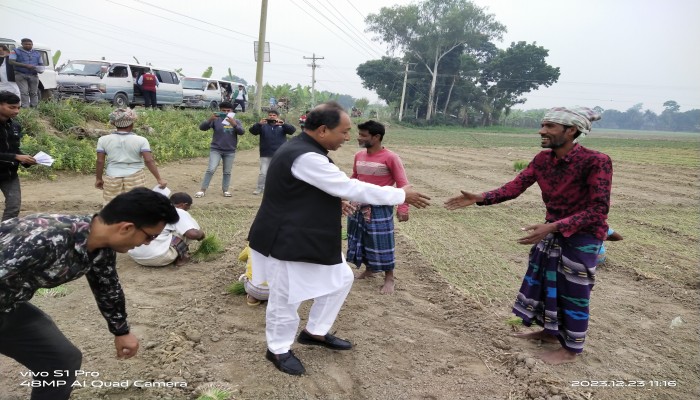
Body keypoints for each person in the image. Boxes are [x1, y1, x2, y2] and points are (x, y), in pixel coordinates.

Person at [247, 101, 430, 375]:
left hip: (304, 234)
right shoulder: (306, 156)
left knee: (341, 278)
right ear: (322, 130)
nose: (348, 137)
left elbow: (319, 188)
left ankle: (315, 332)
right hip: (286, 238)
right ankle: (277, 349)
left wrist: (337, 200)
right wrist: (401, 195)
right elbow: (348, 185)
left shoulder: (306, 149)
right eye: (343, 132)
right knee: (286, 297)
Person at [445, 106, 611, 365]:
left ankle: (572, 349)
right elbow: (515, 187)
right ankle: (549, 333)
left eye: (549, 127)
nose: (541, 131)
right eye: (542, 125)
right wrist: (481, 198)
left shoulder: (596, 161)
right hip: (553, 231)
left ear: (571, 131)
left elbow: (598, 209)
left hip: (582, 237)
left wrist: (554, 226)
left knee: (574, 293)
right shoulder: (543, 160)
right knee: (548, 285)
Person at [0, 188, 180, 400]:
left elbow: (107, 286)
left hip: (9, 306)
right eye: (150, 236)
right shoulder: (43, 237)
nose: (147, 243)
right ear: (127, 228)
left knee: (60, 361)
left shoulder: (100, 248)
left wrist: (121, 331)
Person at [347, 120, 410, 294]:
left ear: (376, 137)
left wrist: (403, 207)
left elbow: (403, 184)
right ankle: (369, 269)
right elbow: (354, 178)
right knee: (361, 238)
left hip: (380, 208)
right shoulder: (359, 156)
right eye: (359, 134)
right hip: (357, 206)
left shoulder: (391, 157)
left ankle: (389, 277)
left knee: (382, 242)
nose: (359, 138)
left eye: (363, 135)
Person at [95, 108, 167, 204]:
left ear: (114, 124)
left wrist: (99, 178)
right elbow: (149, 160)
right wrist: (159, 179)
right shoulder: (141, 140)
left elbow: (100, 161)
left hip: (112, 176)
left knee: (112, 205)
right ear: (132, 124)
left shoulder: (103, 140)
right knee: (136, 204)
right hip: (135, 176)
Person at [129, 192, 205, 267]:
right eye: (189, 206)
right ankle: (182, 257)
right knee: (184, 230)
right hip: (157, 258)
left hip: (136, 256)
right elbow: (192, 234)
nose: (189, 209)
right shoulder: (178, 211)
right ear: (184, 205)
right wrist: (201, 234)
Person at [194, 101, 244, 198]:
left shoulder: (236, 121)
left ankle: (225, 190)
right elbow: (202, 128)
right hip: (216, 149)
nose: (225, 112)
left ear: (232, 111)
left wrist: (234, 124)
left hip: (230, 150)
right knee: (211, 169)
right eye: (223, 110)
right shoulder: (216, 120)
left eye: (228, 110)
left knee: (227, 171)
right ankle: (202, 190)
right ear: (220, 110)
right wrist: (209, 120)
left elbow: (241, 132)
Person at [0, 91, 36, 221]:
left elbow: (15, 149)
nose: (16, 111)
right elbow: (14, 154)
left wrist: (27, 160)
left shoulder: (15, 126)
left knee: (14, 207)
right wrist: (16, 157)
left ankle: (5, 236)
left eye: (18, 107)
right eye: (12, 107)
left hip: (9, 174)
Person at [248, 110, 296, 195]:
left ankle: (280, 189)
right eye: (270, 115)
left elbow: (292, 130)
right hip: (265, 153)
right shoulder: (263, 126)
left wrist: (283, 124)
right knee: (263, 172)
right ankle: (260, 188)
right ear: (267, 116)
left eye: (274, 115)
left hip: (280, 154)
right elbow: (252, 131)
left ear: (277, 116)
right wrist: (259, 124)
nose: (272, 116)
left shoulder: (282, 125)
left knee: (280, 173)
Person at [8, 38, 44, 108]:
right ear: (22, 44)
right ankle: (26, 108)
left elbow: (41, 64)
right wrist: (25, 65)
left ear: (32, 44)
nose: (28, 45)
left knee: (34, 92)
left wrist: (40, 69)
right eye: (26, 44)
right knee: (24, 92)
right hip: (20, 74)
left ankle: (34, 108)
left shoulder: (37, 53)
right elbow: (11, 61)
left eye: (30, 44)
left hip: (34, 75)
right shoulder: (15, 51)